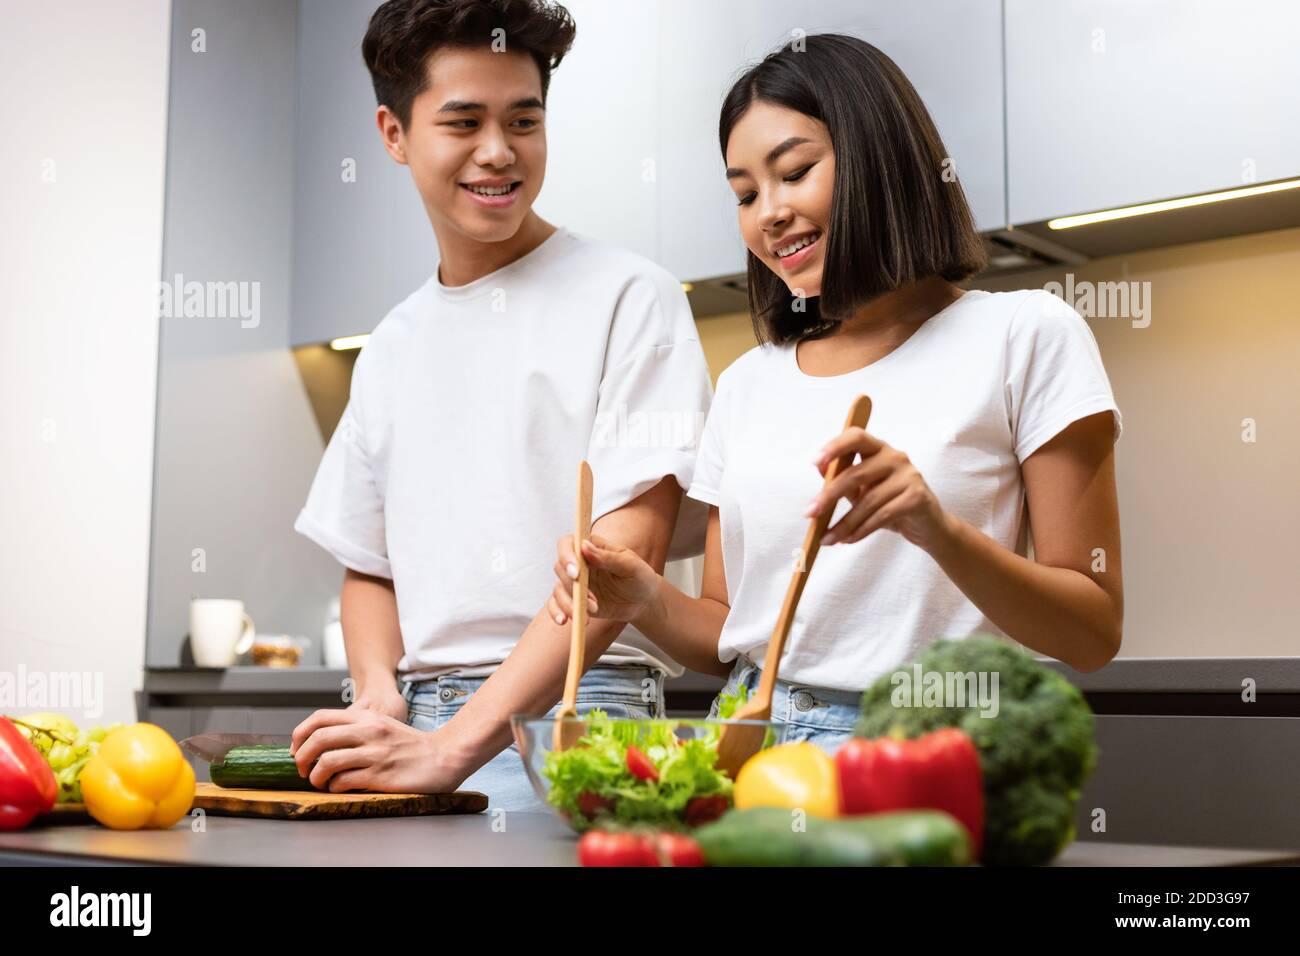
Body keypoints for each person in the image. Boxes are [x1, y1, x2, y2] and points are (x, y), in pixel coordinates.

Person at [549, 34, 1124, 752]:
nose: (769, 213)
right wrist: (647, 601)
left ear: (879, 158)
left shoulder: (1027, 335)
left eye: (794, 173)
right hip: (749, 742)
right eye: (746, 193)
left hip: (919, 745)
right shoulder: (748, 382)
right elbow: (729, 633)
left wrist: (936, 530)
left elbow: (1093, 629)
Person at [289, 0, 713, 809]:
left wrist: (455, 745)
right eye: (463, 122)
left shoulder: (631, 297)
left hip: (583, 715)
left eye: (524, 120)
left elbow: (625, 557)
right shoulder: (392, 344)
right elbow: (368, 565)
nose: (498, 152)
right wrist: (378, 690)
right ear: (393, 134)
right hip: (419, 723)